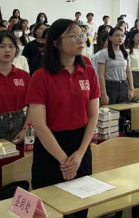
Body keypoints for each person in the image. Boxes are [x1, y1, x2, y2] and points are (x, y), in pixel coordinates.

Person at [26, 19, 99, 218]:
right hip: (50, 147)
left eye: (82, 35)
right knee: (50, 208)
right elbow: (39, 125)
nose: (81, 40)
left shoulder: (88, 72)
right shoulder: (41, 76)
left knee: (80, 207)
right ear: (56, 42)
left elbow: (93, 115)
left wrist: (80, 153)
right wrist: (64, 161)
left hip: (81, 144)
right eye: (74, 36)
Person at [97, 27, 134, 105]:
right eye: (117, 35)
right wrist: (103, 94)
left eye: (122, 35)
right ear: (110, 38)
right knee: (110, 110)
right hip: (110, 85)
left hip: (124, 84)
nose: (120, 38)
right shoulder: (103, 53)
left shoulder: (125, 53)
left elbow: (128, 71)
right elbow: (101, 74)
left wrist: (131, 88)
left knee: (124, 109)